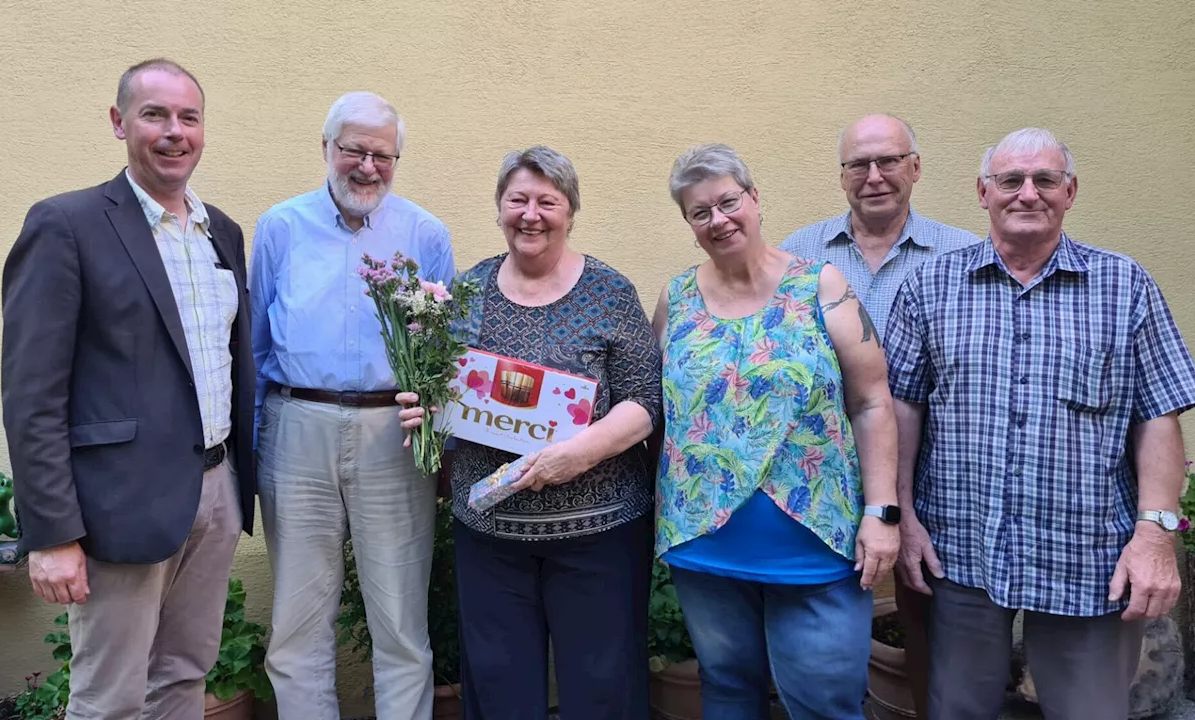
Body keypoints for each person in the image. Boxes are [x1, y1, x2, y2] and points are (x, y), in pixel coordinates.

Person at [884, 127, 1195, 719]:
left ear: (1071, 191)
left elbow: (1159, 413)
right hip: (960, 552)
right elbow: (903, 409)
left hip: (1086, 557)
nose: (1027, 193)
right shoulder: (929, 286)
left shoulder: (1124, 286)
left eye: (1045, 180)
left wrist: (1156, 535)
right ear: (983, 193)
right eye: (1010, 180)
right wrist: (903, 517)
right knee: (956, 709)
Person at [1, 58, 255, 719]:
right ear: (119, 123)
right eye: (155, 115)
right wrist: (53, 533)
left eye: (189, 117)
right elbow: (33, 394)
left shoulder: (220, 232)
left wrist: (233, 487)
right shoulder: (67, 225)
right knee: (109, 697)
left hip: (215, 491)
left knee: (183, 677)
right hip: (118, 505)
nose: (175, 132)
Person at [397, 146, 661, 719]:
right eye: (518, 199)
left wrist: (577, 454)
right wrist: (426, 415)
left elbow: (644, 401)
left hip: (599, 533)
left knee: (602, 686)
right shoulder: (465, 293)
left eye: (548, 201)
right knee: (498, 689)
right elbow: (444, 392)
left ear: (570, 212)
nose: (531, 214)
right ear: (499, 209)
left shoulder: (610, 293)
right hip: (490, 532)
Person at [653, 143, 900, 720]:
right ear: (688, 223)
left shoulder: (821, 286)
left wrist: (881, 511)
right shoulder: (677, 298)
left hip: (814, 544)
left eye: (728, 202)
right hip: (704, 542)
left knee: (826, 703)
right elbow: (657, 408)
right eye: (699, 212)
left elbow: (871, 402)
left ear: (755, 199)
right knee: (727, 691)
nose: (718, 220)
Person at [248, 91, 455, 720]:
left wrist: (438, 443)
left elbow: (444, 355)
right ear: (326, 149)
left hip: (392, 433)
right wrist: (258, 443)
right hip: (296, 427)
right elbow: (254, 343)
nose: (367, 166)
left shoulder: (425, 233)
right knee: (297, 622)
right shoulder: (280, 227)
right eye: (354, 150)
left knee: (399, 620)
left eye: (382, 155)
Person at [779, 113, 979, 714]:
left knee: (933, 622)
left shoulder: (964, 254)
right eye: (858, 165)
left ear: (915, 168)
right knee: (823, 626)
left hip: (938, 467)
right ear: (842, 177)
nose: (874, 177)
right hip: (826, 475)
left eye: (888, 161)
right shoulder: (799, 254)